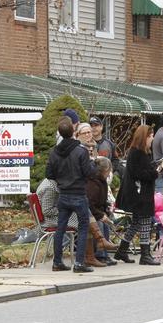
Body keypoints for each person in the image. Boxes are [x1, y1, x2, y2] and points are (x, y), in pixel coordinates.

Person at [45, 116, 96, 272]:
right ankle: (79, 263)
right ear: (74, 131)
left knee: (60, 228)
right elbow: (89, 173)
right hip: (79, 194)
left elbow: (49, 174)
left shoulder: (54, 152)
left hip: (63, 195)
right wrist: (94, 164)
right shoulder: (81, 151)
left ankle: (57, 261)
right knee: (83, 226)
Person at [115, 124, 162, 265]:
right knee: (146, 222)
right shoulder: (138, 153)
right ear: (145, 137)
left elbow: (142, 169)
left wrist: (154, 166)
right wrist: (156, 171)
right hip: (139, 194)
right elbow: (140, 173)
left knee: (136, 223)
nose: (152, 138)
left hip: (138, 193)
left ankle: (122, 251)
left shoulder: (140, 152)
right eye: (151, 136)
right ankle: (145, 255)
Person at [84, 157, 118, 267]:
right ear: (105, 170)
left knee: (105, 224)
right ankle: (100, 255)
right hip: (90, 213)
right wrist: (101, 215)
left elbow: (102, 201)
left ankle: (104, 253)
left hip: (97, 211)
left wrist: (106, 211)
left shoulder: (101, 181)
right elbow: (90, 204)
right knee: (100, 224)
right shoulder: (93, 183)